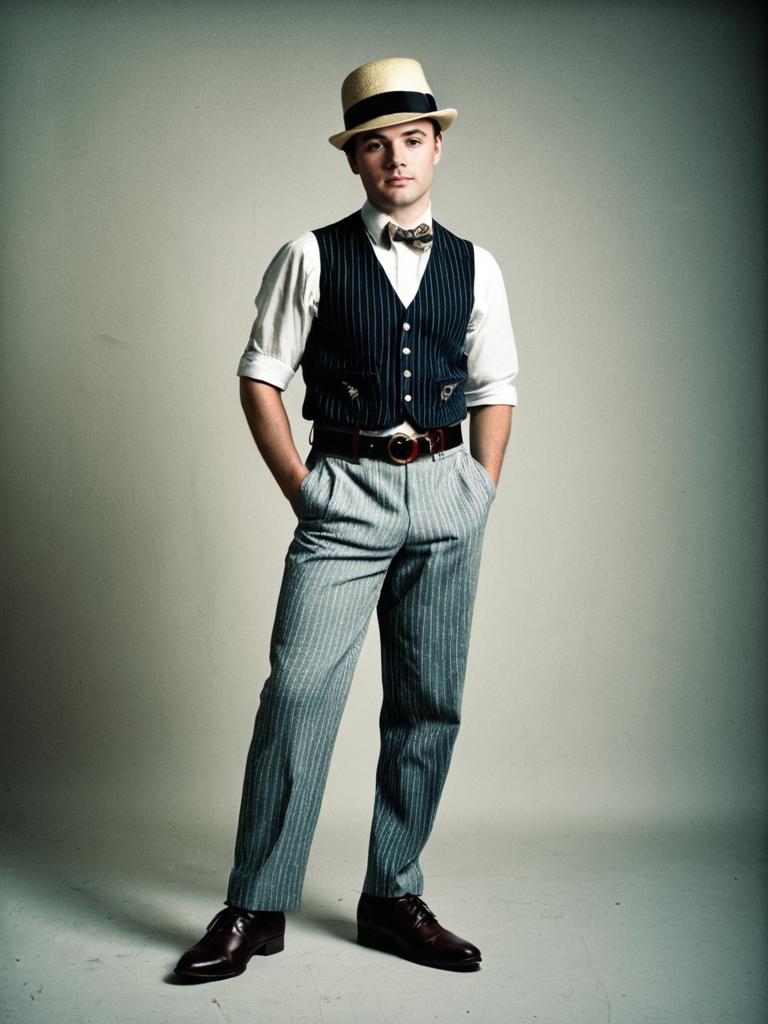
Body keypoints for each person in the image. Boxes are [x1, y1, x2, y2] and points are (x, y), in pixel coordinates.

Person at [174, 56, 519, 982]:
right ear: (354, 159)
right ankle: (257, 904)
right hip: (345, 494)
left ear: (437, 148)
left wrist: (480, 489)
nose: (396, 158)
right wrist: (303, 488)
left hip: (446, 492)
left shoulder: (475, 265)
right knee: (299, 694)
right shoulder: (310, 254)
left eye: (412, 139)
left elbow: (495, 385)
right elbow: (260, 375)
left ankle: (392, 895)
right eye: (375, 144)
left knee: (427, 705)